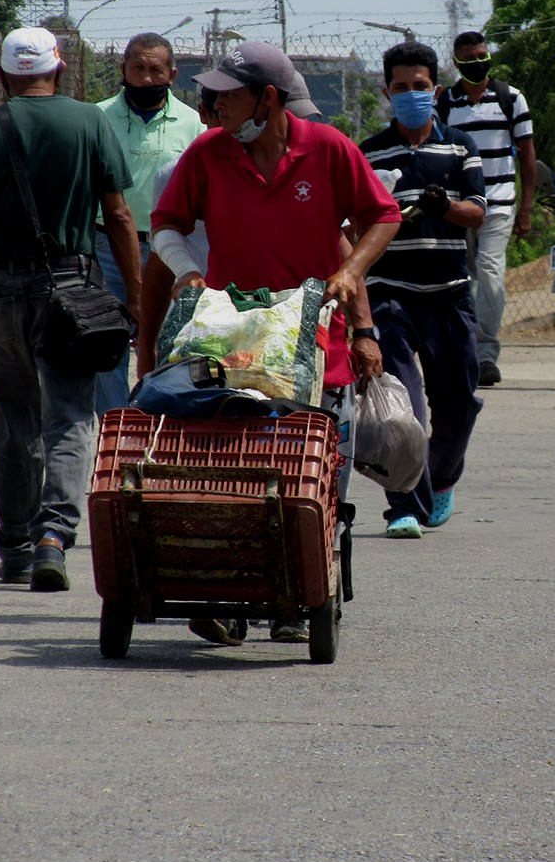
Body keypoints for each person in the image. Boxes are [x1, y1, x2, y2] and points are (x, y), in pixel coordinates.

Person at [149, 39, 400, 631]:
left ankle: (304, 588)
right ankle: (229, 593)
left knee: (308, 472)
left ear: (267, 98)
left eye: (226, 96)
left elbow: (383, 214)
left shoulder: (330, 149)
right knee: (230, 471)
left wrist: (351, 272)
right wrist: (186, 267)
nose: (213, 108)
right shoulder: (209, 154)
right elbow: (165, 223)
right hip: (231, 339)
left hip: (314, 341)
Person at [0, 27, 141, 591]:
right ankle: (53, 537)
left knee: (14, 422)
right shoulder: (91, 122)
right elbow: (118, 217)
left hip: (2, 293)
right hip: (73, 289)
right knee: (69, 416)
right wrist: (135, 296)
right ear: (59, 69)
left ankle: (14, 545)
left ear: (3, 77)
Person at [359, 41, 487, 540]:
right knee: (401, 405)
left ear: (435, 89)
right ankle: (403, 506)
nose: (411, 94)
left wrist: (444, 206)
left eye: (419, 87)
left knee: (458, 402)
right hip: (391, 293)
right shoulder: (368, 153)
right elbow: (353, 222)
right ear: (386, 91)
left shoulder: (459, 146)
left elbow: (477, 211)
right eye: (400, 87)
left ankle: (441, 477)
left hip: (449, 292)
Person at [91, 32, 204, 414]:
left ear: (172, 74)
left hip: (171, 252)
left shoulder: (193, 125)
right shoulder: (97, 117)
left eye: (155, 70)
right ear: (123, 70)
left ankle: (160, 423)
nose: (146, 78)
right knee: (108, 340)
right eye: (137, 68)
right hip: (106, 247)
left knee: (170, 340)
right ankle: (116, 427)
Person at [435, 30, 535, 389]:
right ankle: (465, 349)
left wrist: (526, 208)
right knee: (464, 279)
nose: (478, 63)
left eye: (482, 56)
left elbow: (527, 154)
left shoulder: (511, 98)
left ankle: (487, 354)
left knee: (490, 275)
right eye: (470, 59)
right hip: (459, 206)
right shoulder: (445, 103)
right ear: (457, 63)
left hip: (499, 204)